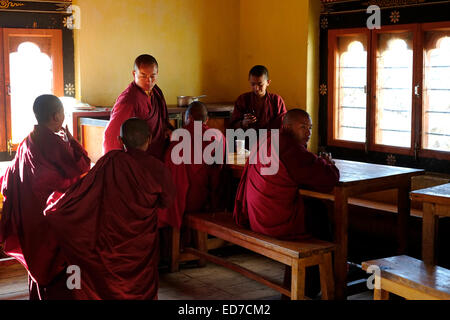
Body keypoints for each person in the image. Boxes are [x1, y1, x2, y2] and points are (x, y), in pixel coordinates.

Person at [45, 118, 176, 300]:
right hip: (141, 243)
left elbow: (85, 193)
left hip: (110, 241)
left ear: (120, 141)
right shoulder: (158, 169)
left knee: (109, 282)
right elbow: (166, 202)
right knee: (141, 283)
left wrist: (57, 209)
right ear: (150, 137)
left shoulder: (109, 162)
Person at [0, 94, 91, 300]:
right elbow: (80, 168)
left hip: (30, 217)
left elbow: (10, 179)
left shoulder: (28, 140)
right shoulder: (53, 143)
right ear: (57, 115)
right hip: (49, 218)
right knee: (56, 267)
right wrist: (70, 139)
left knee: (39, 263)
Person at [158, 102, 226, 230]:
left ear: (188, 118)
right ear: (206, 120)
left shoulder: (177, 138)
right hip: (204, 202)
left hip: (174, 204)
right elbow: (219, 173)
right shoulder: (217, 137)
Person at [103, 54, 173, 161]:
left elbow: (162, 121)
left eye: (152, 76)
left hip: (157, 154)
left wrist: (167, 130)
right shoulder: (129, 100)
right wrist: (114, 164)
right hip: (137, 160)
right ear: (134, 74)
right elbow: (111, 136)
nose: (148, 81)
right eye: (143, 76)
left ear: (157, 74)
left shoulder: (156, 92)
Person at [229, 65, 287, 131]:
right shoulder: (243, 99)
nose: (256, 88)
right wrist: (243, 123)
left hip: (270, 139)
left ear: (268, 82)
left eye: (260, 84)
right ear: (249, 81)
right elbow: (233, 125)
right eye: (253, 84)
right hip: (249, 138)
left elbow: (284, 124)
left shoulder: (277, 100)